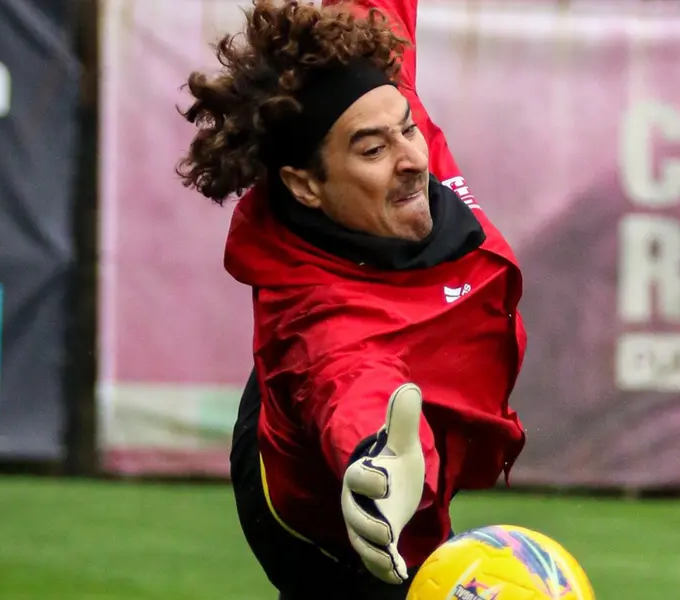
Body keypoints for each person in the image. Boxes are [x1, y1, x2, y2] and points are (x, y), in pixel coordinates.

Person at [175, 0, 529, 597]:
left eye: (408, 128)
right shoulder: (323, 322)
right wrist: (382, 463)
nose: (412, 160)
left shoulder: (377, 104)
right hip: (325, 513)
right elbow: (354, 388)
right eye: (373, 151)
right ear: (305, 185)